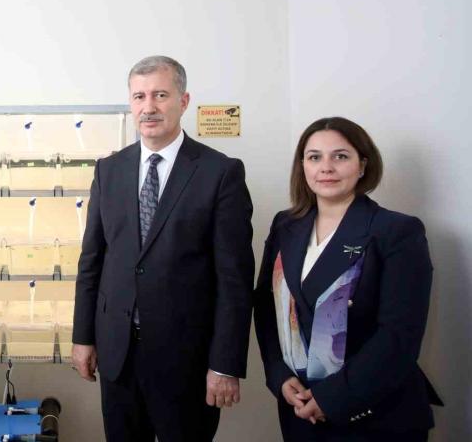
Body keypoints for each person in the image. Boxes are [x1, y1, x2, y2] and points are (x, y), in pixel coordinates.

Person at [71, 56, 255, 442]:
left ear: (183, 101)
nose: (149, 107)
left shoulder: (220, 173)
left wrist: (225, 364)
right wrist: (83, 337)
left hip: (187, 361)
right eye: (139, 97)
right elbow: (92, 262)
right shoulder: (109, 170)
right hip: (118, 355)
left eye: (160, 95)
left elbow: (234, 280)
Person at [254, 117, 442, 441]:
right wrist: (279, 375)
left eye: (340, 156)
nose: (326, 167)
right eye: (314, 157)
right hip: (300, 408)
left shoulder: (396, 231)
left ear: (362, 165)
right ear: (303, 166)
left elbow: (399, 336)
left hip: (374, 413)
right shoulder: (286, 225)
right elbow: (266, 306)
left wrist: (331, 398)